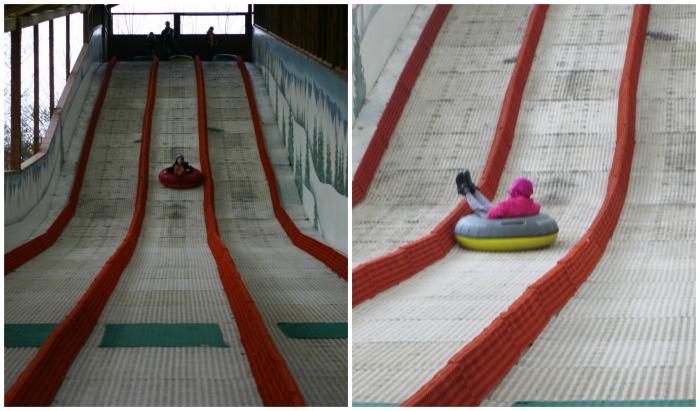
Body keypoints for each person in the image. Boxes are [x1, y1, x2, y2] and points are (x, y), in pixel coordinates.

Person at [456, 170, 540, 219]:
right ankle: (472, 189)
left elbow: (490, 215)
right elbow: (537, 208)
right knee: (489, 206)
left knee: (479, 208)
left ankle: (466, 191)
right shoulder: (533, 205)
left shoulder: (508, 204)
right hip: (502, 214)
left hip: (495, 220)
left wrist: (493, 210)